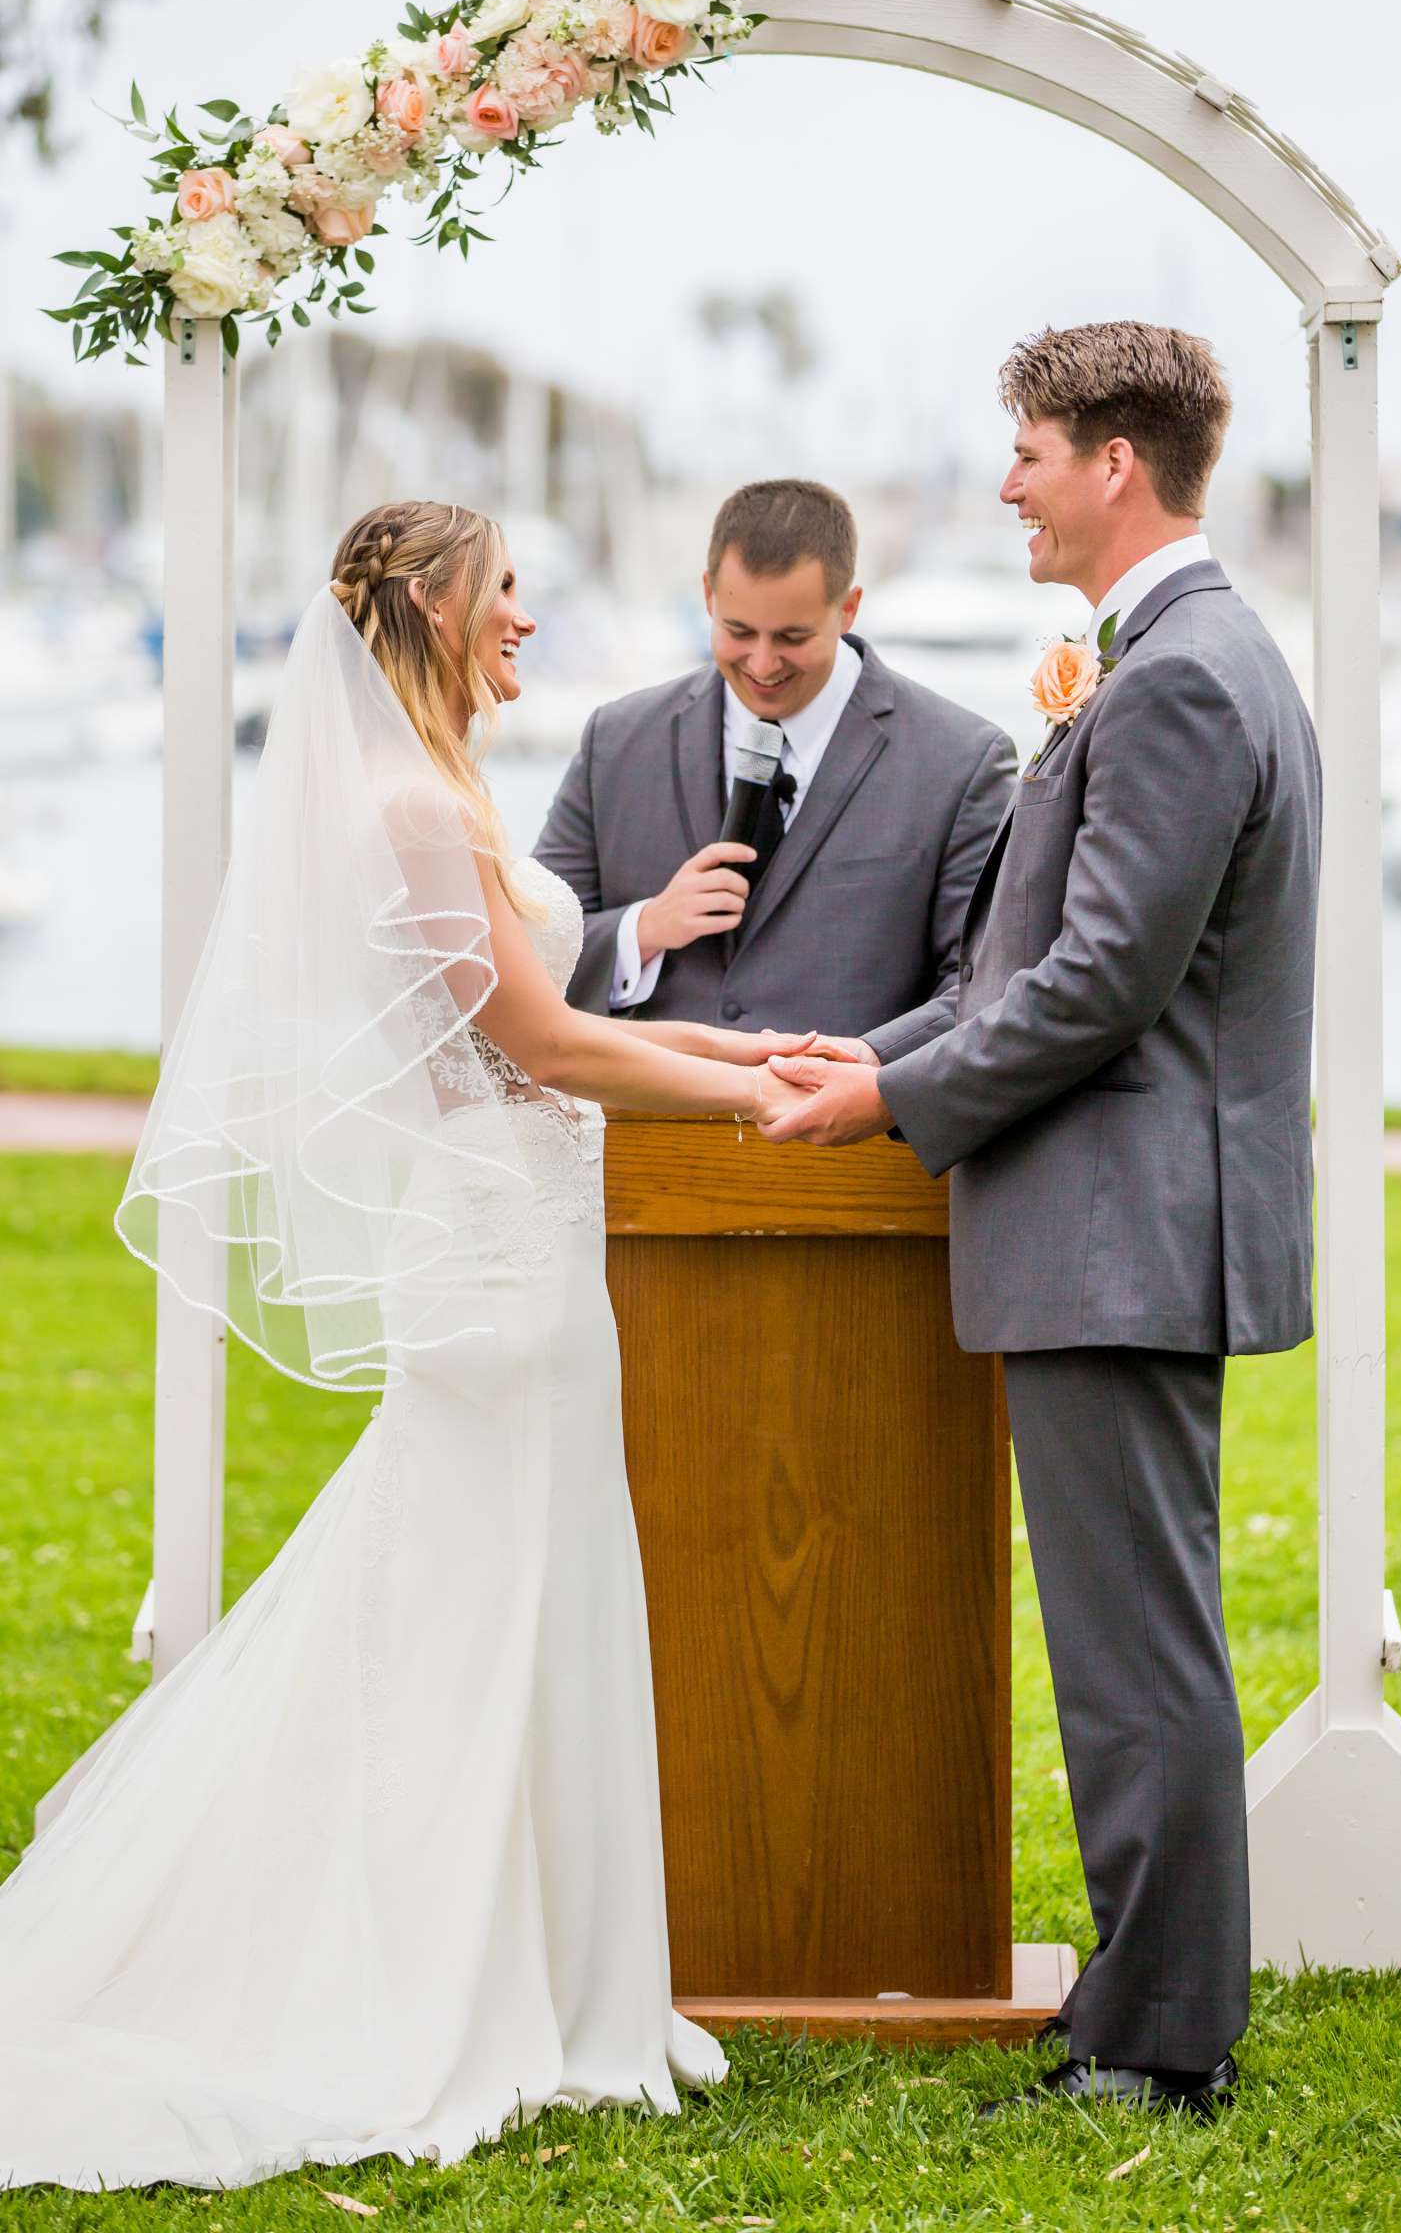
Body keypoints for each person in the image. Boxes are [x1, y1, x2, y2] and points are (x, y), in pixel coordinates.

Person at [0, 501, 803, 2193]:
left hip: (522, 1253)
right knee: (476, 1617)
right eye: (506, 589)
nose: (524, 614)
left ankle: (549, 1967)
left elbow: (543, 993)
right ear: (439, 605)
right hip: (505, 1283)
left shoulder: (442, 790)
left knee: (497, 1613)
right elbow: (532, 1042)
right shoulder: (408, 801)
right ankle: (460, 1978)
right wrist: (740, 1086)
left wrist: (724, 1009)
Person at [763, 324, 1322, 2120]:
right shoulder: (1180, 655)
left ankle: (1160, 2046)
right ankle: (1152, 2008)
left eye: (1026, 448)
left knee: (1134, 1652)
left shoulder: (1175, 678)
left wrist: (889, 1102)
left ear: (1116, 468)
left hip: (1122, 1233)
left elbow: (1095, 989)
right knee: (1133, 1642)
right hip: (1122, 1226)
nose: (1006, 481)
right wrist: (873, 1045)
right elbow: (1027, 963)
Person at [534, 478, 1016, 1036]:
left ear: (849, 608)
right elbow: (528, 950)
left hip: (853, 1120)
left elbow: (980, 986)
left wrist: (865, 1071)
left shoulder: (961, 762)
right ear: (708, 594)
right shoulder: (615, 742)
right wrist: (644, 928)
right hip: (645, 1119)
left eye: (792, 637)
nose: (762, 664)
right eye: (738, 631)